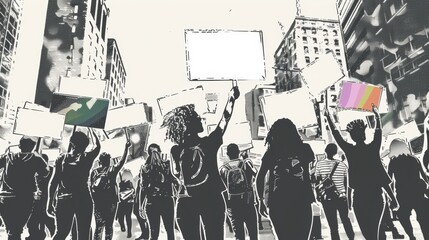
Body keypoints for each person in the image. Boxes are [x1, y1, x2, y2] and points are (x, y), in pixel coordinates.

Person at [163, 86, 239, 240]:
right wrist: (231, 98)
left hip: (186, 201)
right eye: (197, 118)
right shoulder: (209, 143)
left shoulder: (176, 151)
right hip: (212, 198)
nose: (201, 119)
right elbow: (224, 120)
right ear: (188, 124)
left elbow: (177, 175)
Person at [325, 105, 399, 240]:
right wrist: (376, 115)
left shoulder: (350, 151)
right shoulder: (373, 149)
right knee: (376, 231)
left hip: (359, 199)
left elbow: (337, 136)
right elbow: (378, 132)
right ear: (364, 134)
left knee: (368, 234)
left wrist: (328, 117)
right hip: (376, 197)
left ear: (352, 137)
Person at [256, 118, 315, 239]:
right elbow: (312, 172)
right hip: (302, 201)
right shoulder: (305, 149)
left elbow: (260, 176)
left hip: (277, 203)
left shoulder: (271, 152)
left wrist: (260, 200)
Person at [47, 130, 101, 240]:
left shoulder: (61, 159)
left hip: (64, 199)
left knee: (61, 233)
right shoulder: (87, 157)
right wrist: (92, 129)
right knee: (84, 233)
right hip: (83, 199)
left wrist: (49, 202)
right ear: (85, 145)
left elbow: (54, 182)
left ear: (71, 143)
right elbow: (98, 146)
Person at [0, 137, 50, 240]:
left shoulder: (8, 157)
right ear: (32, 148)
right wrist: (39, 156)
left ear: (19, 146)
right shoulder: (35, 159)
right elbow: (45, 172)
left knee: (10, 229)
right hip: (24, 198)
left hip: (5, 198)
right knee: (16, 229)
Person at [388, 139, 429, 240]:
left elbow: (390, 181)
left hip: (403, 193)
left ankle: (411, 236)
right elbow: (424, 176)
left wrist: (392, 197)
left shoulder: (393, 162)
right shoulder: (414, 159)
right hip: (418, 191)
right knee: (423, 218)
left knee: (403, 216)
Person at [90, 141, 131, 240]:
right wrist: (126, 148)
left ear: (100, 161)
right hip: (112, 201)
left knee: (99, 226)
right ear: (109, 161)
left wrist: (93, 200)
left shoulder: (94, 172)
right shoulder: (112, 170)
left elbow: (90, 187)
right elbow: (122, 161)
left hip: (98, 202)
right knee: (109, 226)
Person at [219, 143, 258, 240]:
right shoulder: (245, 164)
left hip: (233, 205)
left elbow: (222, 189)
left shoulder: (223, 169)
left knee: (239, 235)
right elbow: (256, 175)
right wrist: (246, 158)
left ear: (227, 154)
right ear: (238, 152)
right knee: (253, 234)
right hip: (248, 202)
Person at [315, 143, 354, 240]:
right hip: (341, 197)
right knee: (345, 220)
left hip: (327, 198)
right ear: (335, 152)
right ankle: (351, 238)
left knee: (333, 226)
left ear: (325, 151)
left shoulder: (319, 165)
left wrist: (318, 196)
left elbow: (317, 182)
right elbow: (347, 185)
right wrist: (348, 200)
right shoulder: (342, 165)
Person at [139, 143, 177, 240]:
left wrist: (141, 206)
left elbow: (143, 188)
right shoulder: (166, 165)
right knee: (169, 231)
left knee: (155, 233)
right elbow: (174, 180)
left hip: (154, 202)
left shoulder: (145, 168)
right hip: (165, 201)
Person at [26, 153, 56, 240]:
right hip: (37, 199)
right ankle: (37, 235)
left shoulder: (51, 170)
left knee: (48, 220)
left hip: (47, 198)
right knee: (33, 221)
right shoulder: (35, 171)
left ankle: (46, 235)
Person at [134, 157, 150, 240]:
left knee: (144, 215)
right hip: (139, 191)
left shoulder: (148, 170)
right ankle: (145, 233)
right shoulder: (143, 168)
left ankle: (146, 234)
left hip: (143, 192)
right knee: (136, 212)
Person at [117, 169, 135, 238]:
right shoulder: (131, 181)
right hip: (129, 201)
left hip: (122, 201)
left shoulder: (120, 178)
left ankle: (123, 227)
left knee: (121, 216)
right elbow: (134, 189)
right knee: (128, 217)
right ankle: (129, 232)